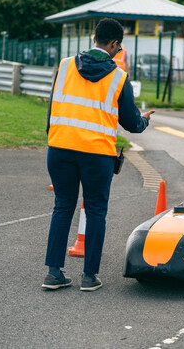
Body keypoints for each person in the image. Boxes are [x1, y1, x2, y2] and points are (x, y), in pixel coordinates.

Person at [43, 18, 155, 291]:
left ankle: (54, 273)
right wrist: (144, 120)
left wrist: (53, 137)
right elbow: (130, 123)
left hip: (59, 148)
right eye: (120, 46)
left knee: (62, 207)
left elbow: (52, 108)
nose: (120, 51)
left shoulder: (66, 65)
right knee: (95, 212)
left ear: (95, 38)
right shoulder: (118, 76)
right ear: (115, 43)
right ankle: (89, 277)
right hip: (96, 155)